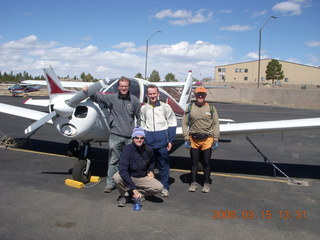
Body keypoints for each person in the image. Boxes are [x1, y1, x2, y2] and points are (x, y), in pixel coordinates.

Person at [83, 77, 141, 193]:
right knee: (113, 160)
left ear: (128, 87)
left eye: (126, 86)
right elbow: (96, 97)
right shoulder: (112, 98)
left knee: (130, 161)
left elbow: (139, 117)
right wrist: (87, 91)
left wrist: (137, 133)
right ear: (118, 87)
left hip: (129, 136)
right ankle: (110, 183)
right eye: (121, 86)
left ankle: (128, 182)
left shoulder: (134, 100)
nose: (123, 88)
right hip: (115, 135)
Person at [140, 84, 177, 197]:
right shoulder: (144, 108)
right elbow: (142, 124)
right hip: (149, 142)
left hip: (162, 142)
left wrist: (170, 140)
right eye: (150, 94)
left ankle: (165, 186)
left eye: (154, 93)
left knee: (163, 165)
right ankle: (149, 187)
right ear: (147, 95)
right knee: (148, 165)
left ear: (158, 94)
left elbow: (172, 123)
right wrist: (142, 139)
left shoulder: (165, 107)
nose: (152, 96)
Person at [182, 87, 220, 193]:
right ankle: (193, 182)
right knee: (194, 162)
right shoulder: (190, 108)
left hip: (207, 139)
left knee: (206, 162)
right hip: (193, 139)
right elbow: (184, 123)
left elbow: (216, 123)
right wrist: (186, 137)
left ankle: (206, 183)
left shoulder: (211, 108)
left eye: (202, 94)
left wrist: (216, 139)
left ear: (205, 96)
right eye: (198, 94)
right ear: (195, 95)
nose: (200, 96)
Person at [113, 127, 163, 207]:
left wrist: (151, 170)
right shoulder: (127, 149)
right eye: (136, 137)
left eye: (142, 138)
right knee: (116, 177)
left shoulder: (148, 149)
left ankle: (131, 195)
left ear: (144, 139)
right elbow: (122, 170)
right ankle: (124, 195)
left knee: (159, 187)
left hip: (142, 177)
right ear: (133, 138)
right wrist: (133, 188)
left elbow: (153, 161)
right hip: (130, 176)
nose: (139, 140)